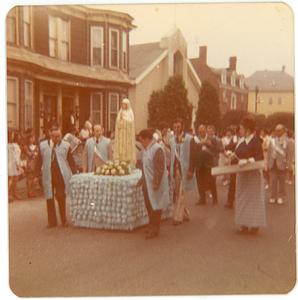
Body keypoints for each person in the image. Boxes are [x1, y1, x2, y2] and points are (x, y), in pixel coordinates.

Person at [34, 126, 78, 228]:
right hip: (48, 175)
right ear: (50, 136)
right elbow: (39, 161)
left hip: (61, 175)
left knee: (60, 196)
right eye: (55, 137)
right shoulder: (43, 145)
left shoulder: (66, 145)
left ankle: (64, 220)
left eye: (59, 136)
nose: (58, 139)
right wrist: (36, 175)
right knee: (49, 197)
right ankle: (52, 221)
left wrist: (75, 173)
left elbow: (71, 161)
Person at [234, 116, 266, 234]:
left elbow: (260, 157)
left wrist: (248, 160)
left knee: (253, 200)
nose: (240, 131)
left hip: (253, 175)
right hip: (242, 174)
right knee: (242, 199)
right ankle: (243, 223)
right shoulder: (241, 141)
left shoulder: (256, 142)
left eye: (242, 129)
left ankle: (254, 225)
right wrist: (230, 154)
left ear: (247, 130)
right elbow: (235, 151)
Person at [136, 129, 170, 239]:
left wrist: (156, 183)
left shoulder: (157, 149)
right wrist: (141, 180)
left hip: (154, 184)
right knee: (149, 205)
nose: (140, 143)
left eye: (141, 140)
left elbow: (159, 168)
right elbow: (145, 168)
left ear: (147, 139)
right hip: (147, 184)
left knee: (156, 206)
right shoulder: (147, 149)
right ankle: (151, 225)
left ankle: (154, 228)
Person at [170, 119, 197, 225]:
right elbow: (172, 155)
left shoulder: (190, 139)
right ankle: (185, 214)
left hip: (185, 170)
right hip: (175, 169)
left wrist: (191, 170)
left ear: (183, 127)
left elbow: (194, 155)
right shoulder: (172, 140)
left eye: (178, 127)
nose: (176, 129)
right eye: (175, 127)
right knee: (178, 193)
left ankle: (178, 217)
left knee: (182, 193)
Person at [267, 124, 294, 205]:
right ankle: (273, 196)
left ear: (283, 131)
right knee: (273, 181)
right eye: (275, 130)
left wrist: (288, 166)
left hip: (283, 164)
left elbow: (290, 155)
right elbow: (269, 154)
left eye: (278, 131)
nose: (276, 132)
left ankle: (281, 196)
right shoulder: (272, 141)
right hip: (273, 164)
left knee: (282, 182)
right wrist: (268, 164)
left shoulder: (289, 141)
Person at [194, 125, 218, 205]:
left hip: (209, 163)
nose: (202, 134)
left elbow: (216, 149)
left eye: (203, 132)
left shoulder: (212, 138)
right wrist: (199, 145)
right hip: (199, 163)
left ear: (206, 131)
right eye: (200, 132)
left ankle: (215, 198)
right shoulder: (196, 139)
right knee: (200, 182)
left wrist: (210, 145)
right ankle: (202, 199)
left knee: (211, 181)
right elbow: (193, 148)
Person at [224, 125, 245, 209]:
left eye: (241, 130)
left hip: (243, 163)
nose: (240, 132)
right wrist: (235, 145)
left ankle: (242, 203)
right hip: (234, 162)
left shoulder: (246, 139)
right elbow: (227, 147)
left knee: (243, 183)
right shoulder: (234, 139)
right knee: (232, 182)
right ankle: (230, 202)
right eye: (239, 130)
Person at [114, 98, 136, 165]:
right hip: (121, 133)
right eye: (122, 104)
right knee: (121, 147)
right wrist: (120, 120)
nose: (123, 106)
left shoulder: (130, 113)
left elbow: (131, 123)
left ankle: (128, 159)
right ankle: (121, 159)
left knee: (127, 147)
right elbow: (118, 123)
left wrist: (125, 120)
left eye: (125, 105)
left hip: (127, 134)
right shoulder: (120, 112)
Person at [8, 131, 23, 201]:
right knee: (12, 179)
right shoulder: (12, 145)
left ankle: (14, 193)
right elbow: (14, 156)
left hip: (16, 163)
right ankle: (9, 194)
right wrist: (17, 164)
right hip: (12, 164)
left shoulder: (16, 144)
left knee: (15, 179)